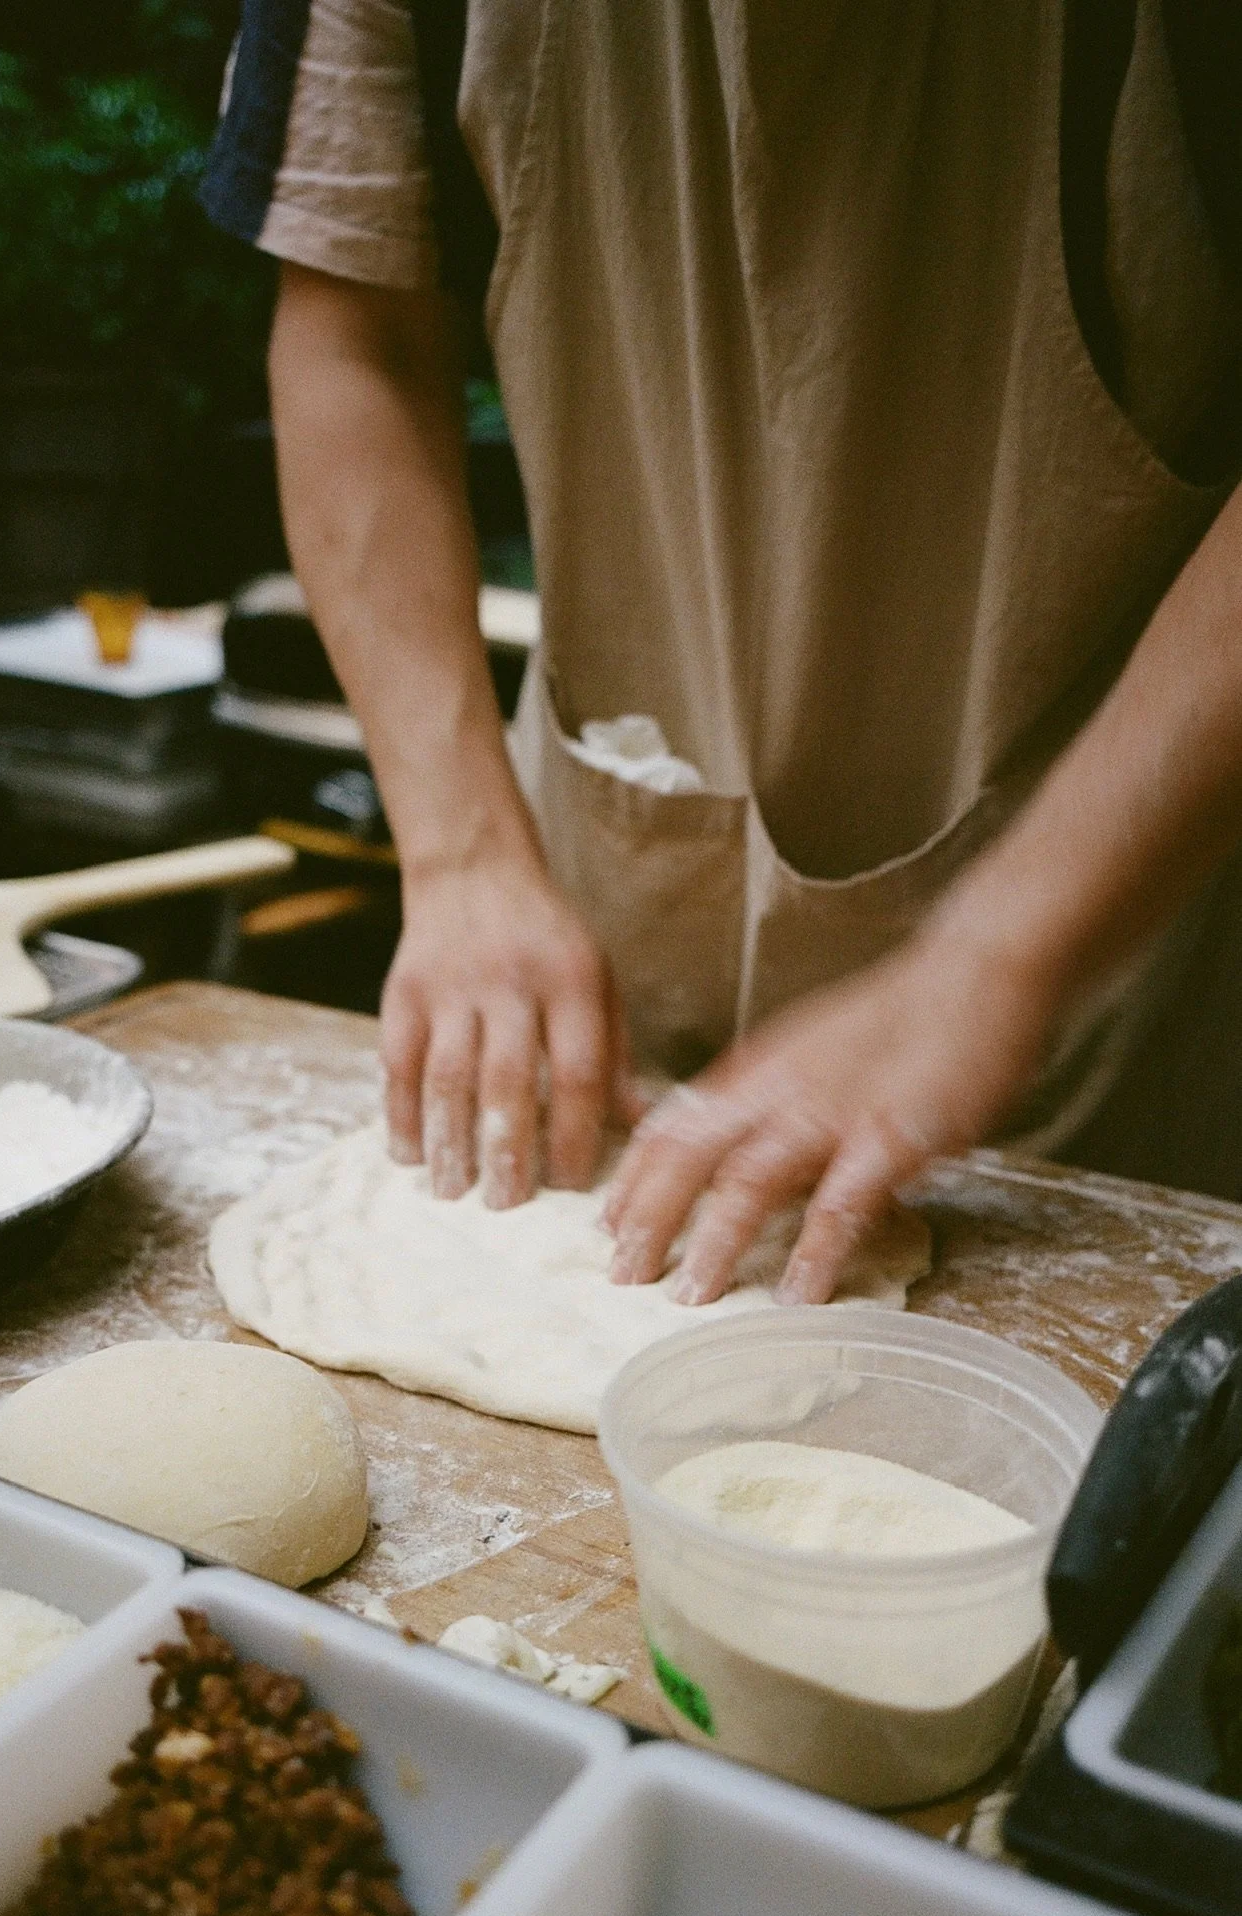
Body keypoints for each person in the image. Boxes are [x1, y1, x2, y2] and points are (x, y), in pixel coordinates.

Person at [203, 0, 1242, 1303]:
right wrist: (462, 851)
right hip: (613, 948)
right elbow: (355, 330)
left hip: (1126, 980)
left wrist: (999, 957)